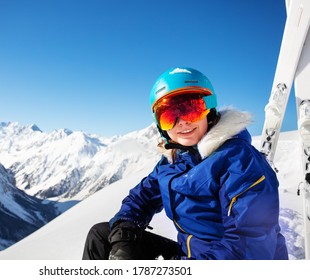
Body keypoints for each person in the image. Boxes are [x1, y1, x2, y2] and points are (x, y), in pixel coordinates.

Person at [82, 67, 288, 260]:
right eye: (169, 116)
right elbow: (142, 197)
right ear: (160, 125)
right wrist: (124, 230)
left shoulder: (239, 162)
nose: (182, 122)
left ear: (209, 110)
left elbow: (249, 249)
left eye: (191, 109)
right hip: (189, 255)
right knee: (102, 237)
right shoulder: (175, 159)